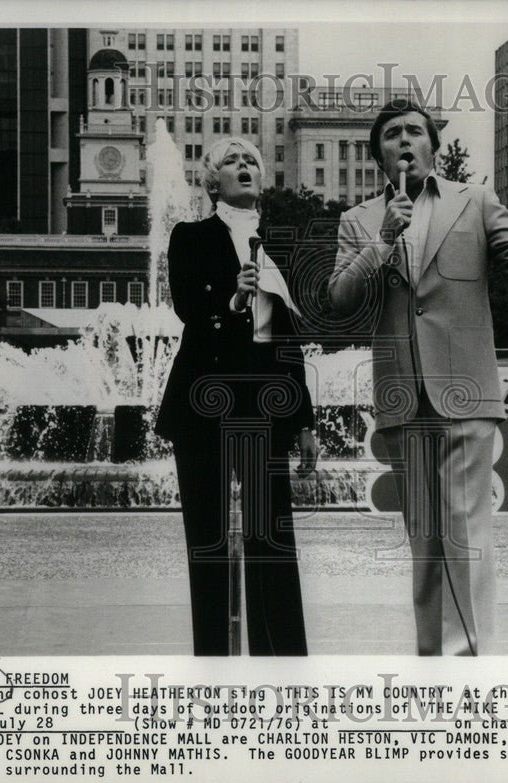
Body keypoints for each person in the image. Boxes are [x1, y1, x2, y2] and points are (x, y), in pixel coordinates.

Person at [329, 98, 508, 655]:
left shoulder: (474, 201)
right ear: (378, 154)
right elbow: (339, 299)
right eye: (392, 135)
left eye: (414, 131)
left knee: (466, 533)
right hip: (403, 401)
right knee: (426, 543)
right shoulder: (358, 221)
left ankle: (468, 664)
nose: (404, 141)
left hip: (468, 398)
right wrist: (384, 240)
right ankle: (434, 662)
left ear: (432, 145)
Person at [153, 138, 318, 656]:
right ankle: (215, 667)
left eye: (251, 161)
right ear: (212, 180)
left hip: (265, 408)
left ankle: (283, 668)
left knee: (271, 543)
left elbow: (289, 343)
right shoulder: (191, 236)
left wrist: (305, 421)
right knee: (207, 543)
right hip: (203, 402)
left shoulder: (280, 243)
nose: (244, 166)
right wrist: (233, 296)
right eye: (232, 161)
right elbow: (185, 308)